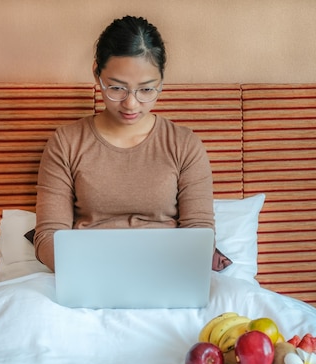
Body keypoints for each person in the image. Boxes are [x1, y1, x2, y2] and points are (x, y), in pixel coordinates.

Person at [34, 15, 231, 272]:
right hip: (88, 271)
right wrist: (92, 267)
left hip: (165, 270)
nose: (131, 104)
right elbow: (48, 236)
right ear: (97, 73)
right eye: (117, 88)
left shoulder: (185, 145)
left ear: (161, 80)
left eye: (147, 90)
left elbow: (200, 234)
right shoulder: (66, 143)